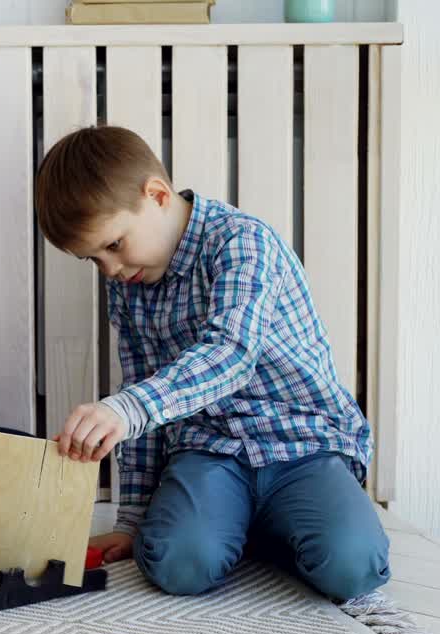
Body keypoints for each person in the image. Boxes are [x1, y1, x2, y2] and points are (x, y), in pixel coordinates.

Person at [37, 125, 390, 601]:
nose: (111, 269)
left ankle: (263, 524)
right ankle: (234, 523)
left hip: (303, 445)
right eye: (93, 260)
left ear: (157, 195)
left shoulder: (243, 243)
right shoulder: (128, 287)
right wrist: (132, 519)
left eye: (115, 245)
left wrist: (125, 409)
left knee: (354, 567)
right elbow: (144, 390)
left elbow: (230, 355)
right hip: (211, 450)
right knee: (176, 564)